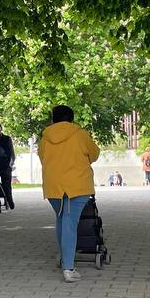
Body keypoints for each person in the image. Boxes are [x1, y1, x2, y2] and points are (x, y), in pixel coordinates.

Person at [37, 105, 100, 283]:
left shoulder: (45, 138)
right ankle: (69, 268)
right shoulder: (81, 134)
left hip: (53, 187)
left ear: (53, 119)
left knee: (61, 218)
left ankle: (64, 257)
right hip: (77, 186)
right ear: (71, 118)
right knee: (70, 222)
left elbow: (42, 158)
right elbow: (94, 155)